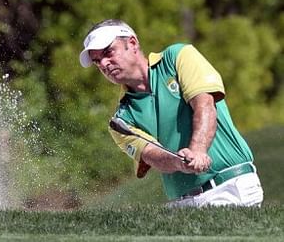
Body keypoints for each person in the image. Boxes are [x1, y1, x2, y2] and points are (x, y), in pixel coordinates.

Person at [79, 19, 264, 207]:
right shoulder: (121, 120)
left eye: (108, 52)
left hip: (229, 186)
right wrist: (180, 162)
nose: (103, 63)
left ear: (133, 43)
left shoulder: (177, 57)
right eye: (97, 61)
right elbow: (152, 155)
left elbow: (204, 104)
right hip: (183, 203)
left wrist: (198, 150)